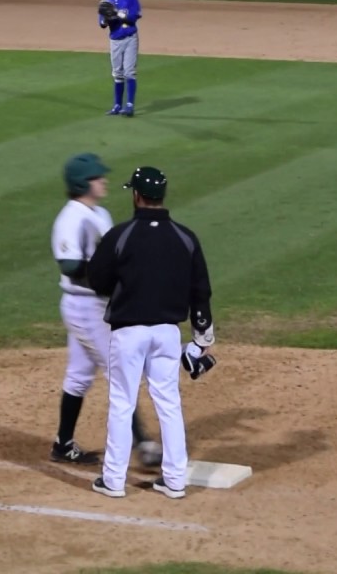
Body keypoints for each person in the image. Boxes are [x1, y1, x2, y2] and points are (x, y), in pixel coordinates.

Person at [86, 166, 217, 499]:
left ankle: (113, 481)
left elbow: (96, 281)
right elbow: (200, 292)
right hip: (167, 334)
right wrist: (202, 339)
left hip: (129, 333)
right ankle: (174, 481)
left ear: (136, 195)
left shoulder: (121, 235)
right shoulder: (185, 237)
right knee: (169, 403)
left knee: (122, 403)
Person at [49, 153, 162, 467]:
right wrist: (110, 279)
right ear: (82, 183)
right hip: (84, 307)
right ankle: (144, 444)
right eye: (98, 177)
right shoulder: (71, 218)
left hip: (98, 305)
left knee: (79, 377)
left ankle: (63, 445)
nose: (104, 181)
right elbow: (70, 266)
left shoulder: (99, 213)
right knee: (121, 372)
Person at [98, 0, 142, 117]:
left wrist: (118, 14)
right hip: (115, 40)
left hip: (130, 38)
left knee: (129, 72)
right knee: (117, 73)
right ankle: (117, 105)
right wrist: (106, 19)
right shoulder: (106, 2)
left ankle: (129, 105)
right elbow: (102, 24)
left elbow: (133, 18)